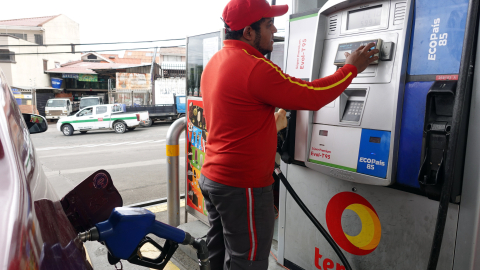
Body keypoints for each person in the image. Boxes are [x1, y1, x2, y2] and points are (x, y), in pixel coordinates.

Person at [198, 0, 380, 269]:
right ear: (248, 32)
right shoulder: (254, 67)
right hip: (242, 186)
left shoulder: (216, 61)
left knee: (217, 253)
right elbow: (312, 96)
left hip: (213, 179)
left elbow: (233, 118)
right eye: (268, 24)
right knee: (246, 261)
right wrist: (350, 68)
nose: (274, 29)